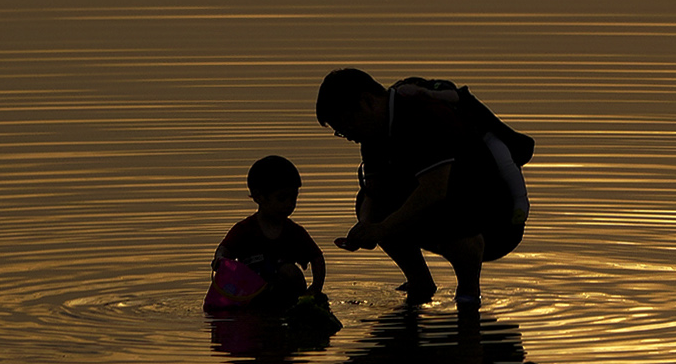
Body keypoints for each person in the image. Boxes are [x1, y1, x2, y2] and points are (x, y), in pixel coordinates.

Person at [314, 68, 534, 307]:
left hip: (495, 220)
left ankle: (469, 292)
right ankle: (420, 284)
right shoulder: (372, 133)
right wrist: (366, 225)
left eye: (345, 124)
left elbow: (434, 190)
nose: (346, 134)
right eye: (339, 130)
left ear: (366, 101)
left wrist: (382, 229)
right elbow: (375, 192)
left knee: (443, 208)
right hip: (451, 206)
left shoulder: (421, 115)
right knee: (369, 203)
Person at [204, 154, 337, 326]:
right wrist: (220, 260)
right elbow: (224, 249)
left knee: (289, 271)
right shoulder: (245, 230)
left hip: (287, 295)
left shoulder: (294, 232)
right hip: (251, 293)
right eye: (282, 199)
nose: (289, 204)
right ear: (260, 197)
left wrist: (315, 288)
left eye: (293, 198)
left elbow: (317, 258)